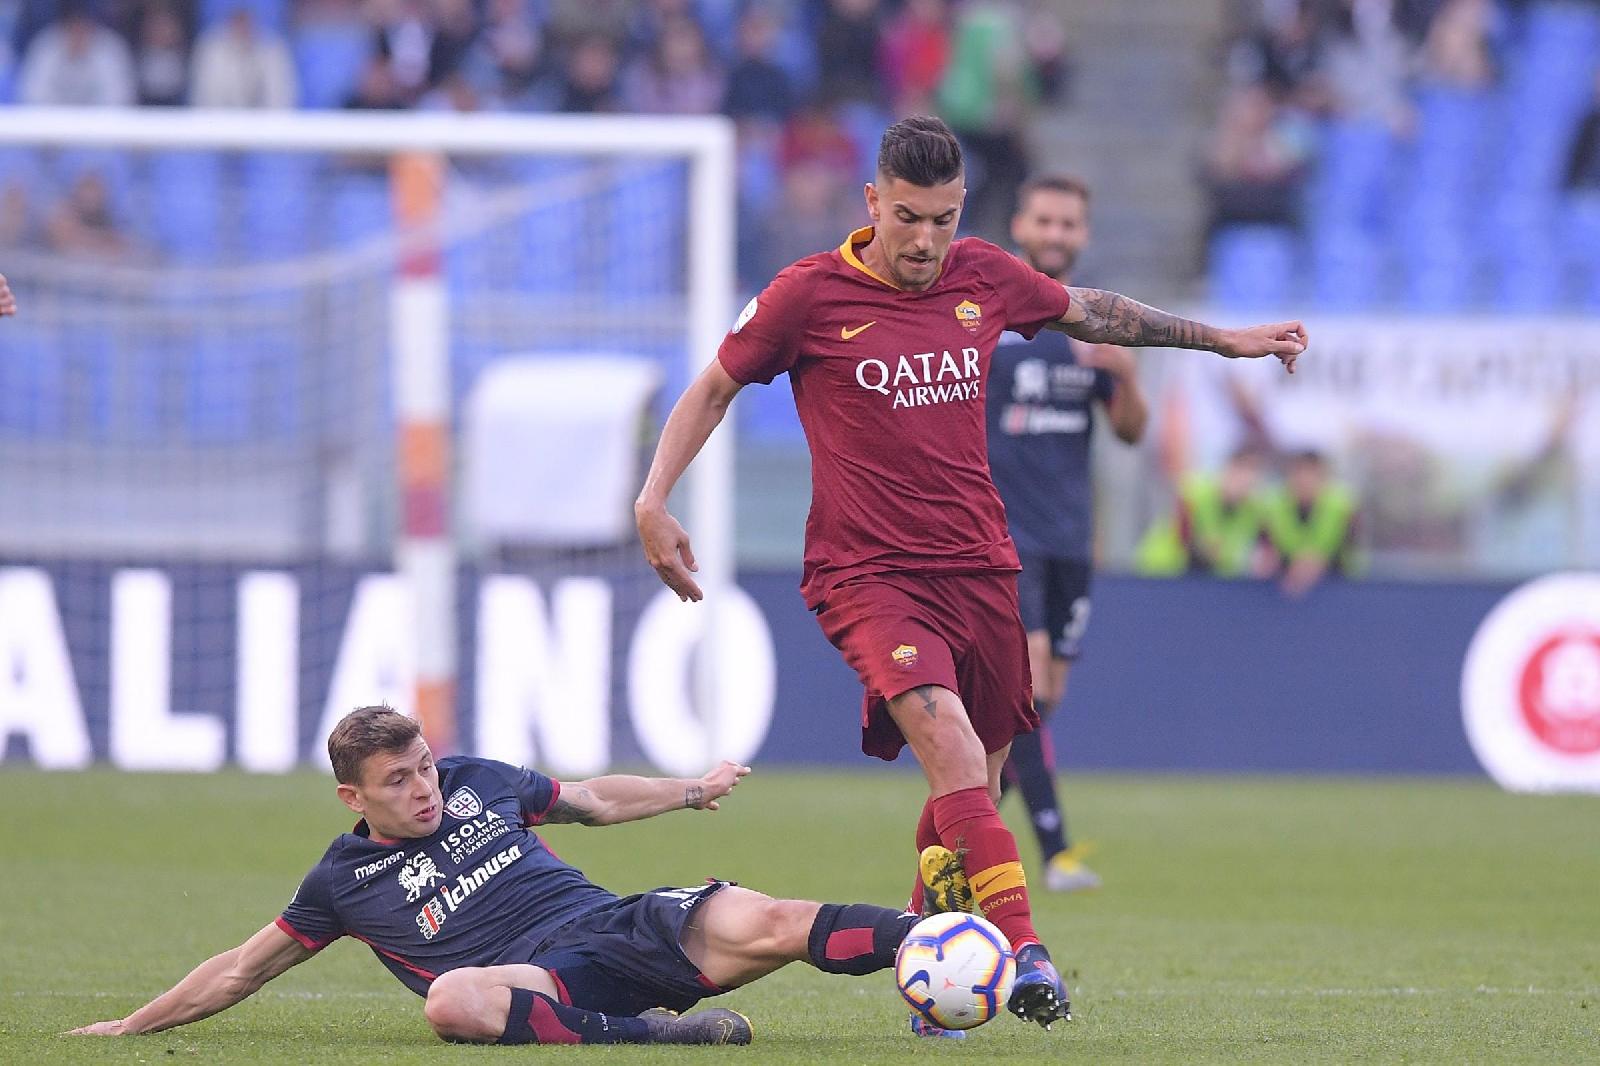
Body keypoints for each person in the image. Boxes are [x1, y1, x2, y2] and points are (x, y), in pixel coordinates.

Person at [635, 115, 1308, 1032]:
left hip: (982, 567)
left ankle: (932, 960)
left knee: (976, 786)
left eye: (943, 219)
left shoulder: (983, 274)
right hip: (867, 574)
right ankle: (1026, 948)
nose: (925, 240)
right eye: (908, 217)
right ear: (872, 202)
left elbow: (1094, 312)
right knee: (950, 746)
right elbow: (712, 386)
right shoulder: (807, 295)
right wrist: (653, 498)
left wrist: (1222, 341)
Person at [69, 706, 924, 1046]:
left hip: (617, 922)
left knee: (767, 916)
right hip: (537, 980)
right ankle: (665, 1038)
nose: (424, 790)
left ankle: (939, 941)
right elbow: (240, 970)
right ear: (352, 795)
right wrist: (129, 1028)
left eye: (425, 768)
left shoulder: (480, 779)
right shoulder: (340, 883)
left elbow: (592, 799)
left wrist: (690, 789)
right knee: (453, 1004)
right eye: (397, 781)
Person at [986, 175, 1147, 893]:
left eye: (1068, 224)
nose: (1055, 233)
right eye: (1044, 220)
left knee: (1042, 699)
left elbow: (1130, 433)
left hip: (1071, 541)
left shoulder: (1095, 327)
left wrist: (1129, 378)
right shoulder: (986, 322)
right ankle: (1051, 854)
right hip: (1002, 537)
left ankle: (968, 829)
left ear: (1083, 234)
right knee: (1024, 689)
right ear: (1021, 224)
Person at [1261, 448, 1361, 597]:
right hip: (1281, 586)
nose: (1305, 480)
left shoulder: (1343, 507)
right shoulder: (1272, 507)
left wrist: (1314, 563)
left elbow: (1348, 551)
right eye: (1299, 473)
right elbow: (1266, 554)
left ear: (1325, 478)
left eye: (1312, 474)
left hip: (1337, 585)